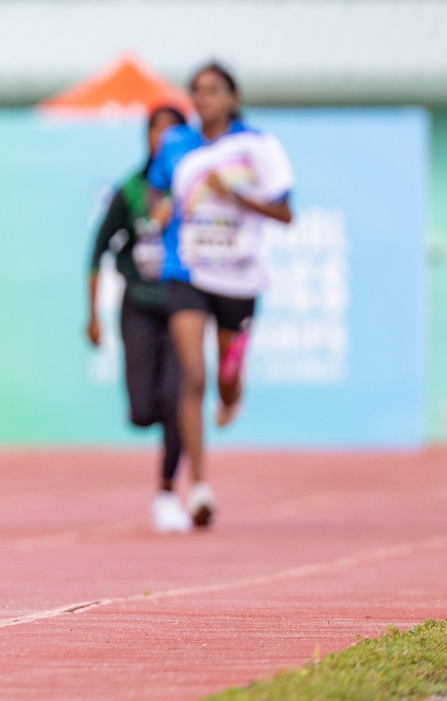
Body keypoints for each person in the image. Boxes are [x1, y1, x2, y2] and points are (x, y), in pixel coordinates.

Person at [148, 62, 293, 528]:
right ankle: (200, 487)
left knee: (225, 379)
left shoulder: (257, 146)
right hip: (186, 269)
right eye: (197, 91)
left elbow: (286, 211)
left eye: (214, 91)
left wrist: (233, 196)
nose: (203, 99)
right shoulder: (175, 144)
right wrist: (161, 210)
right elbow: (154, 192)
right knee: (192, 374)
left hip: (240, 275)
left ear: (233, 97)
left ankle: (232, 393)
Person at [87, 105, 191, 533]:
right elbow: (96, 250)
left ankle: (168, 490)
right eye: (157, 132)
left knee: (177, 398)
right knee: (143, 409)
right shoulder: (129, 190)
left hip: (186, 304)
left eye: (173, 133)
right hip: (140, 304)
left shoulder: (195, 189)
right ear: (146, 138)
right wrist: (92, 313)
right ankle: (149, 413)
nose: (164, 141)